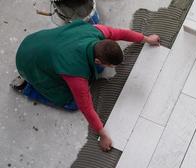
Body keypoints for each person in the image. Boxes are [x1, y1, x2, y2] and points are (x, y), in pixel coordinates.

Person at [12, 19, 160, 152]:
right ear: (97, 60)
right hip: (28, 63)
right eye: (110, 64)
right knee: (72, 103)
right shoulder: (75, 73)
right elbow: (87, 108)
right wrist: (103, 136)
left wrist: (146, 39)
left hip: (35, 42)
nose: (112, 67)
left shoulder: (96, 31)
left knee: (98, 71)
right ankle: (27, 87)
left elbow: (121, 33)